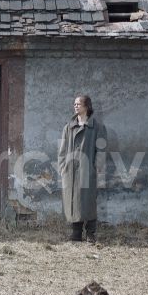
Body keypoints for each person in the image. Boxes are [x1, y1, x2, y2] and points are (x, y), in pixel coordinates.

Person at [59, 94, 106, 243]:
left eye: (78, 104)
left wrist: (95, 167)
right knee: (73, 201)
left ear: (87, 106)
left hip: (88, 170)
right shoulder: (69, 127)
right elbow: (62, 150)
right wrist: (63, 167)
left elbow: (102, 150)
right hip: (71, 171)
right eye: (74, 104)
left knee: (89, 201)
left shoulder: (97, 127)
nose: (75, 106)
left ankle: (90, 233)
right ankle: (76, 232)